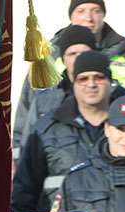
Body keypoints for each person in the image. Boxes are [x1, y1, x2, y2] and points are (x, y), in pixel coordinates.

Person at [15, 1, 125, 155]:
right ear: (71, 15)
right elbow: (26, 107)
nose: (88, 18)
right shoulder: (47, 54)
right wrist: (19, 154)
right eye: (81, 10)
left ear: (103, 14)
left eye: (95, 10)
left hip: (111, 155)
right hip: (56, 152)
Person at [11, 50, 114, 212]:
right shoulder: (46, 130)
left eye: (98, 77)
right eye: (83, 78)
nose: (91, 84)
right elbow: (24, 193)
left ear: (110, 82)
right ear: (73, 82)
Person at [12, 25, 97, 161]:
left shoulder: (110, 96)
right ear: (63, 58)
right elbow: (25, 140)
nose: (78, 59)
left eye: (84, 53)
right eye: (72, 54)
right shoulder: (44, 99)